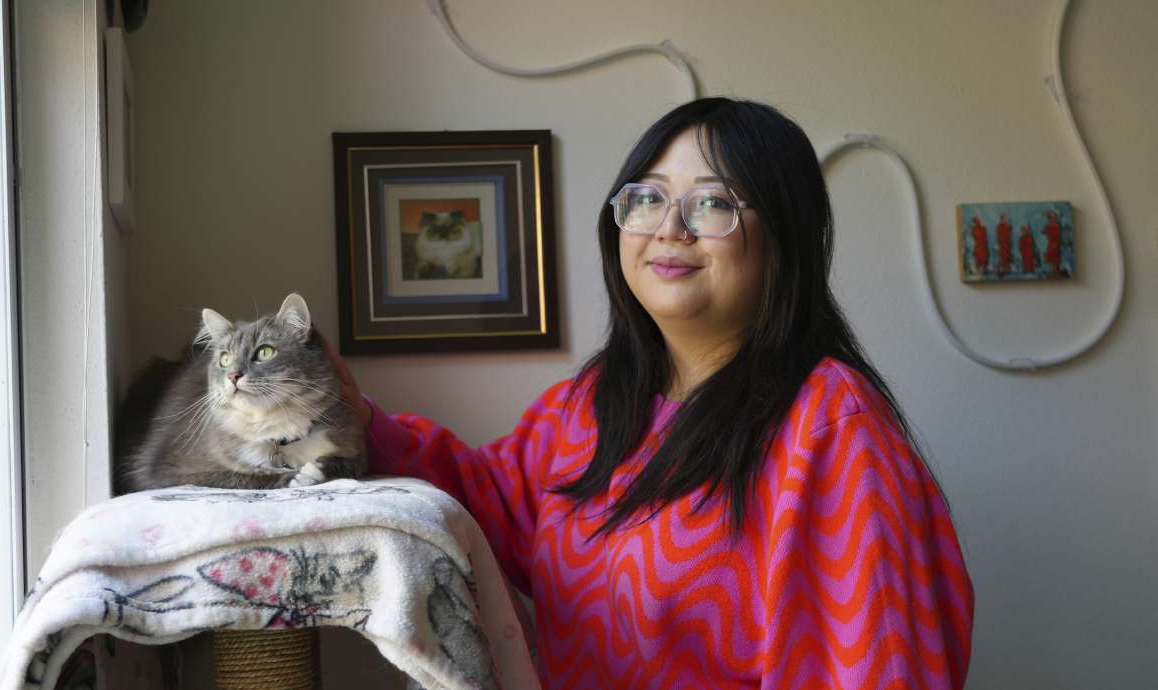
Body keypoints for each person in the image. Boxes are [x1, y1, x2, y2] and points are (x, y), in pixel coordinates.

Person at [325, 98, 974, 689]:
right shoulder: (591, 402)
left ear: (785, 237)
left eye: (714, 202)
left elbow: (884, 669)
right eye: (647, 198)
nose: (670, 228)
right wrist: (357, 421)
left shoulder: (833, 430)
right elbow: (493, 502)